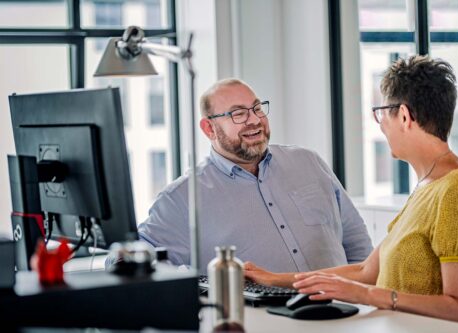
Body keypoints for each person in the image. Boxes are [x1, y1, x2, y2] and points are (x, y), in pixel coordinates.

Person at [244, 56, 458, 323]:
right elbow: (366, 271)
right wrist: (274, 280)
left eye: (381, 113)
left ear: (405, 116)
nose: (382, 124)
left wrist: (368, 295)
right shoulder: (428, 186)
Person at [137, 78, 373, 273]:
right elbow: (134, 262)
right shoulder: (181, 198)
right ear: (209, 128)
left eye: (257, 108)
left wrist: (361, 300)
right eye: (238, 114)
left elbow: (356, 241)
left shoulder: (308, 162)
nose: (254, 120)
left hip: (341, 314)